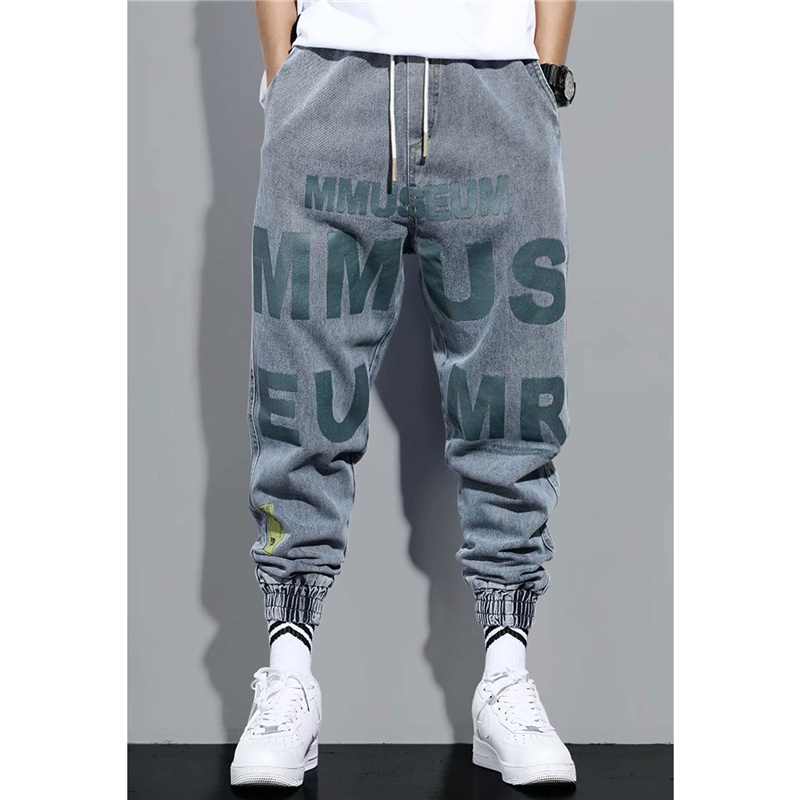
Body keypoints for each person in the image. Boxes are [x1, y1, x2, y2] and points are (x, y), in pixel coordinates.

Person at [231, 0, 578, 788]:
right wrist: (285, 80)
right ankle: (288, 676)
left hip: (497, 85)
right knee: (299, 395)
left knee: (513, 394)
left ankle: (506, 677)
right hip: (333, 81)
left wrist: (546, 72)